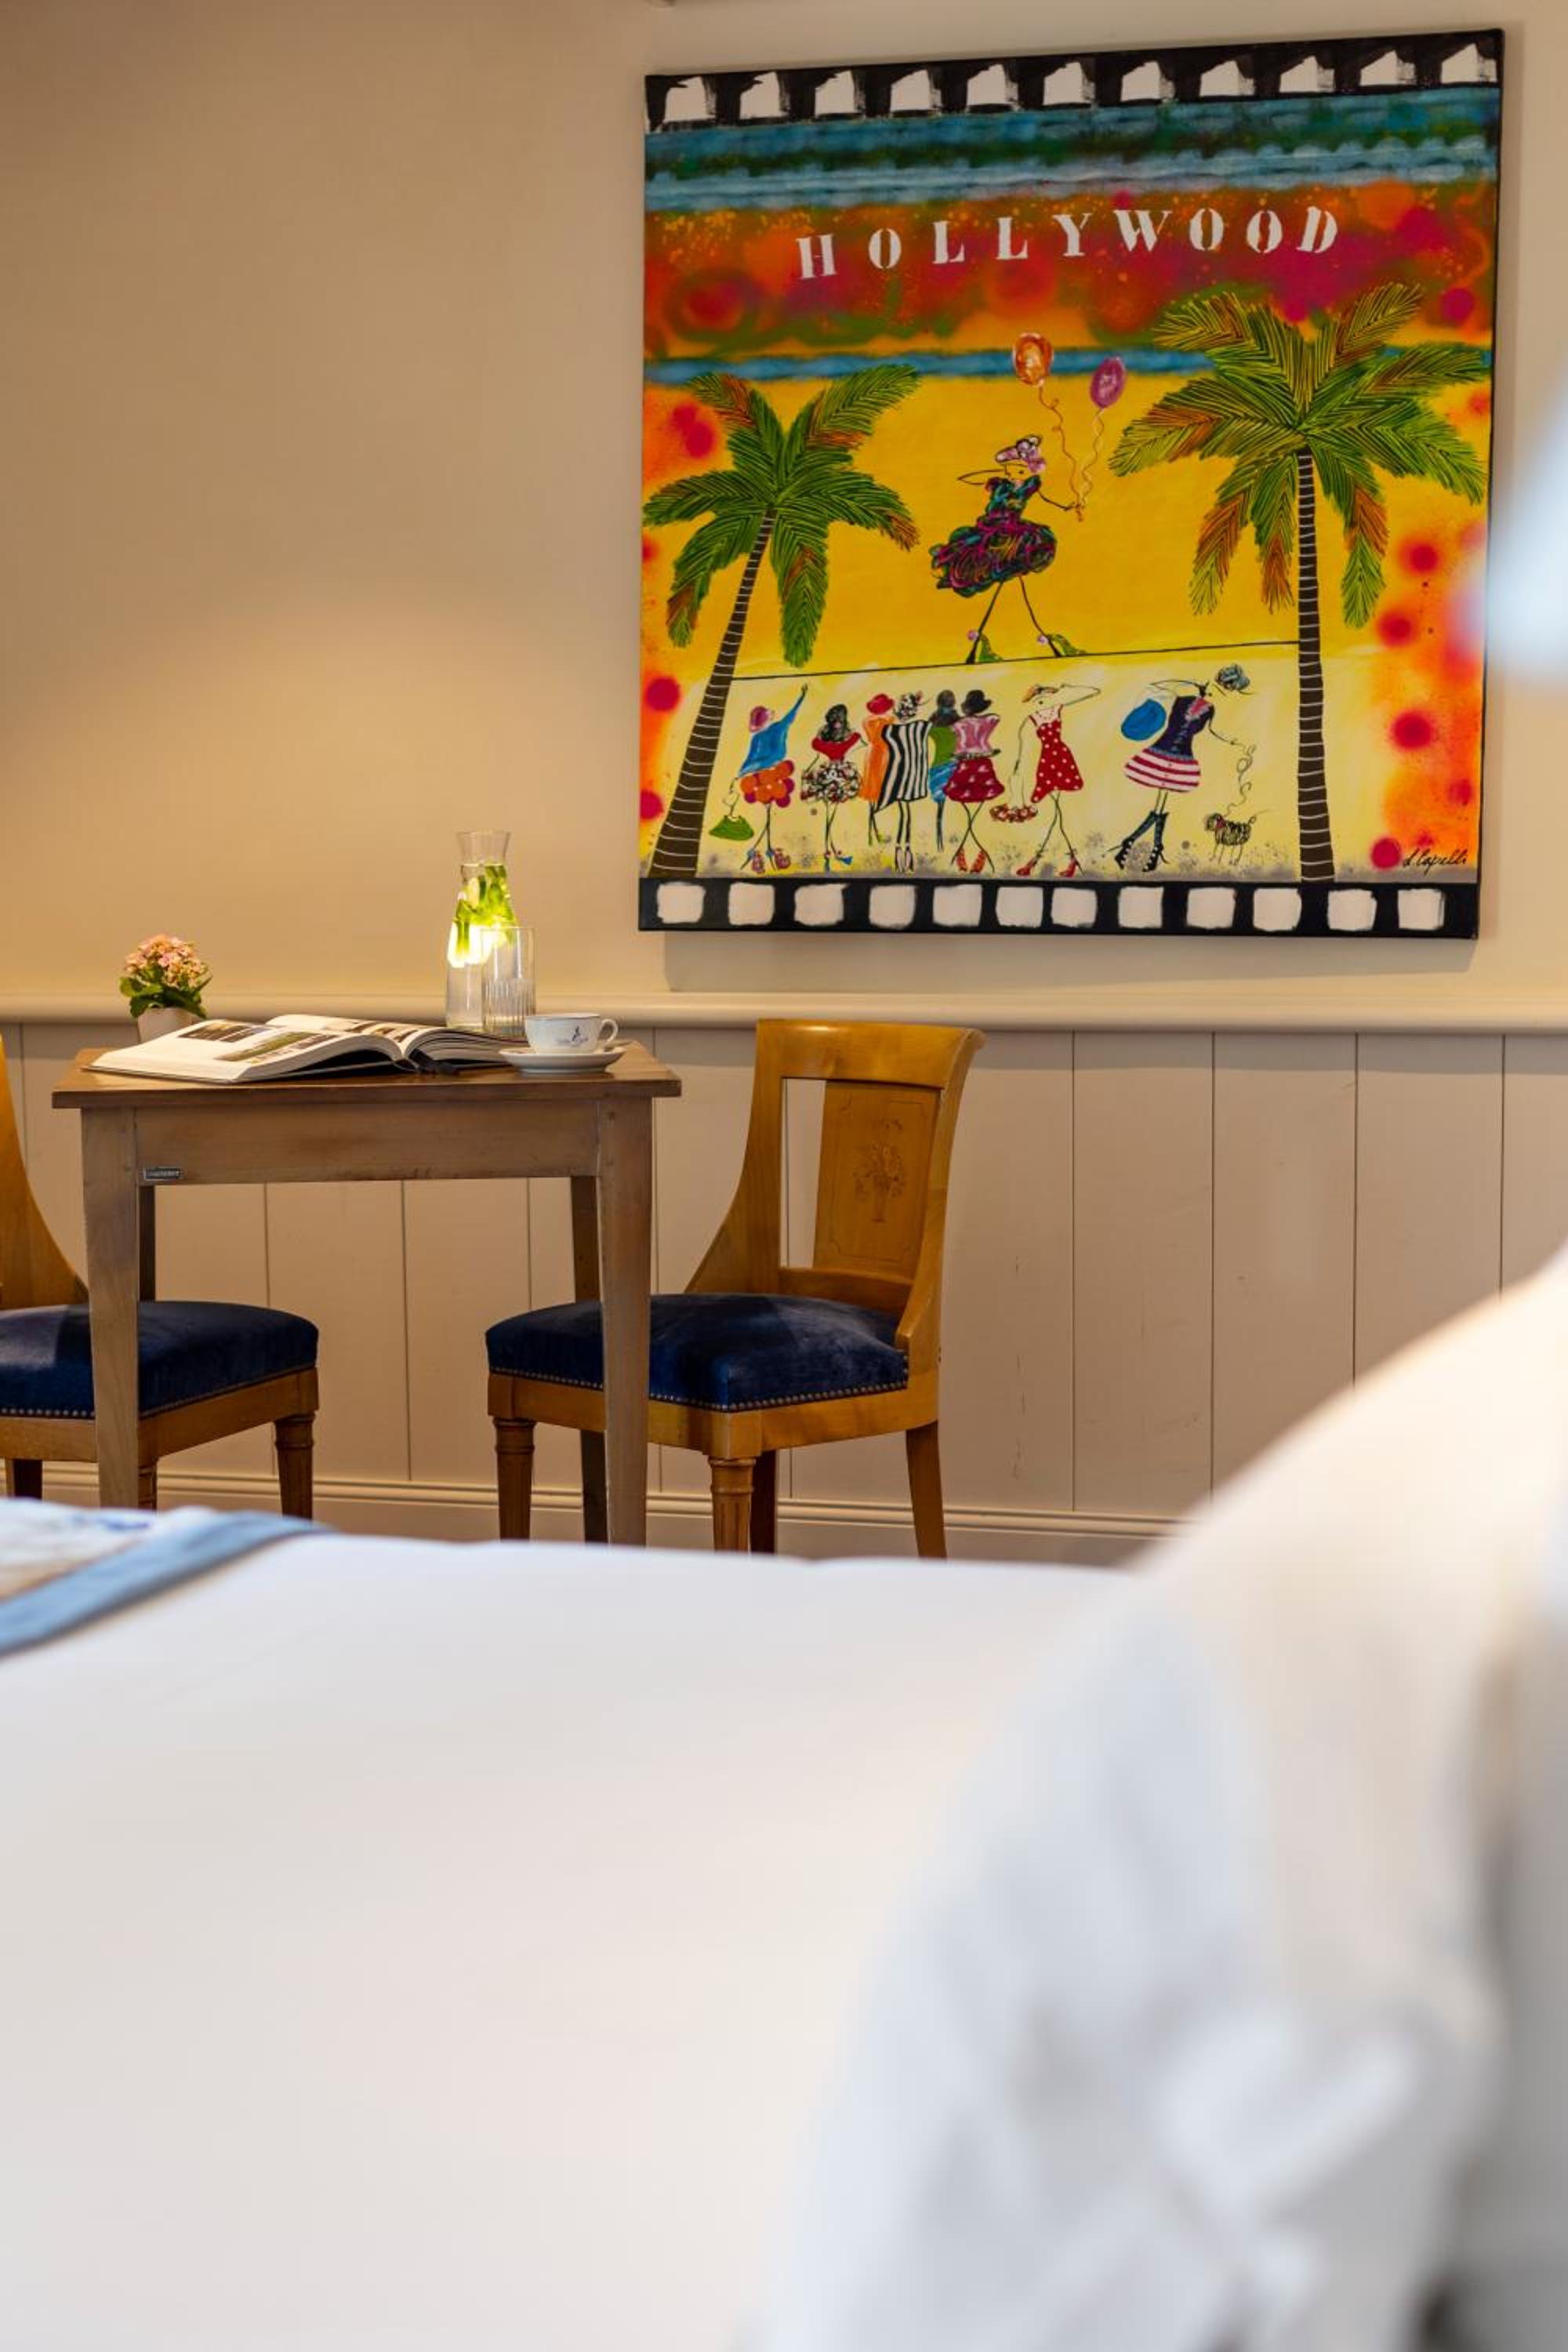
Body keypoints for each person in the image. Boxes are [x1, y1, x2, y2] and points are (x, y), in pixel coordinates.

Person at [930, 435, 1079, 664]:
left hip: (1012, 533)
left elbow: (1048, 498)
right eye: (1009, 470)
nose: (1012, 475)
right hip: (993, 530)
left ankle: (1005, 620)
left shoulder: (1028, 488)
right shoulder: (1001, 486)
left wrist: (1068, 506)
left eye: (1018, 470)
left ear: (1028, 471)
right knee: (976, 561)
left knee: (1018, 556)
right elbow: (970, 480)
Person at [1114, 662, 1252, 874]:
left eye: (1224, 689)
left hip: (1182, 758)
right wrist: (1187, 683)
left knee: (1161, 807)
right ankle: (1145, 846)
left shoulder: (1210, 710)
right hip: (1161, 751)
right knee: (1160, 807)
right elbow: (1157, 686)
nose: (1215, 691)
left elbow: (1214, 731)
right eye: (1217, 685)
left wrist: (1234, 742)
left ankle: (1137, 844)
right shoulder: (1181, 699)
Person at [1004, 680, 1100, 879]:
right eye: (1038, 698)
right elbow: (1022, 744)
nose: (1042, 701)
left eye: (1046, 697)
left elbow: (1092, 691)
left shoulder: (1057, 708)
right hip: (1047, 760)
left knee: (1057, 814)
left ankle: (1037, 861)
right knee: (1056, 814)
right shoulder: (1032, 718)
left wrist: (1065, 690)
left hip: (1061, 757)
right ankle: (1063, 861)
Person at [734, 688, 806, 873]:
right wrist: (743, 772)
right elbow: (751, 759)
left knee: (769, 811)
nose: (770, 719)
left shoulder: (774, 730)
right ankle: (764, 851)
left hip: (774, 775)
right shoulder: (761, 736)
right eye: (767, 718)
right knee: (767, 811)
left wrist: (800, 700)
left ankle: (763, 851)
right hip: (765, 777)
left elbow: (789, 717)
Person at [945, 688, 1005, 873]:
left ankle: (965, 854)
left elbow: (952, 731)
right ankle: (977, 853)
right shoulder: (988, 720)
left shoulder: (958, 724)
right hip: (982, 764)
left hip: (965, 765)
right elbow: (996, 717)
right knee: (976, 813)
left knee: (968, 814)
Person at [800, 703, 864, 871]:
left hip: (838, 773)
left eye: (840, 718)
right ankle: (831, 852)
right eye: (835, 718)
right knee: (830, 814)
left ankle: (830, 852)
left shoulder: (846, 734)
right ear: (830, 719)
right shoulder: (827, 734)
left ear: (843, 719)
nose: (837, 722)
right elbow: (816, 752)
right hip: (830, 773)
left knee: (831, 814)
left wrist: (847, 757)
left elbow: (861, 743)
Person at [874, 691, 933, 873]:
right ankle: (904, 849)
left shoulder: (889, 731)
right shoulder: (920, 727)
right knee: (906, 815)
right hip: (910, 780)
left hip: (899, 779)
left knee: (904, 814)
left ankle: (902, 849)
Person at [926, 688, 960, 854]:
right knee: (952, 808)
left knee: (940, 805)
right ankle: (944, 842)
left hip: (937, 767)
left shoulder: (933, 726)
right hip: (955, 767)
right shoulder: (959, 725)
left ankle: (939, 840)